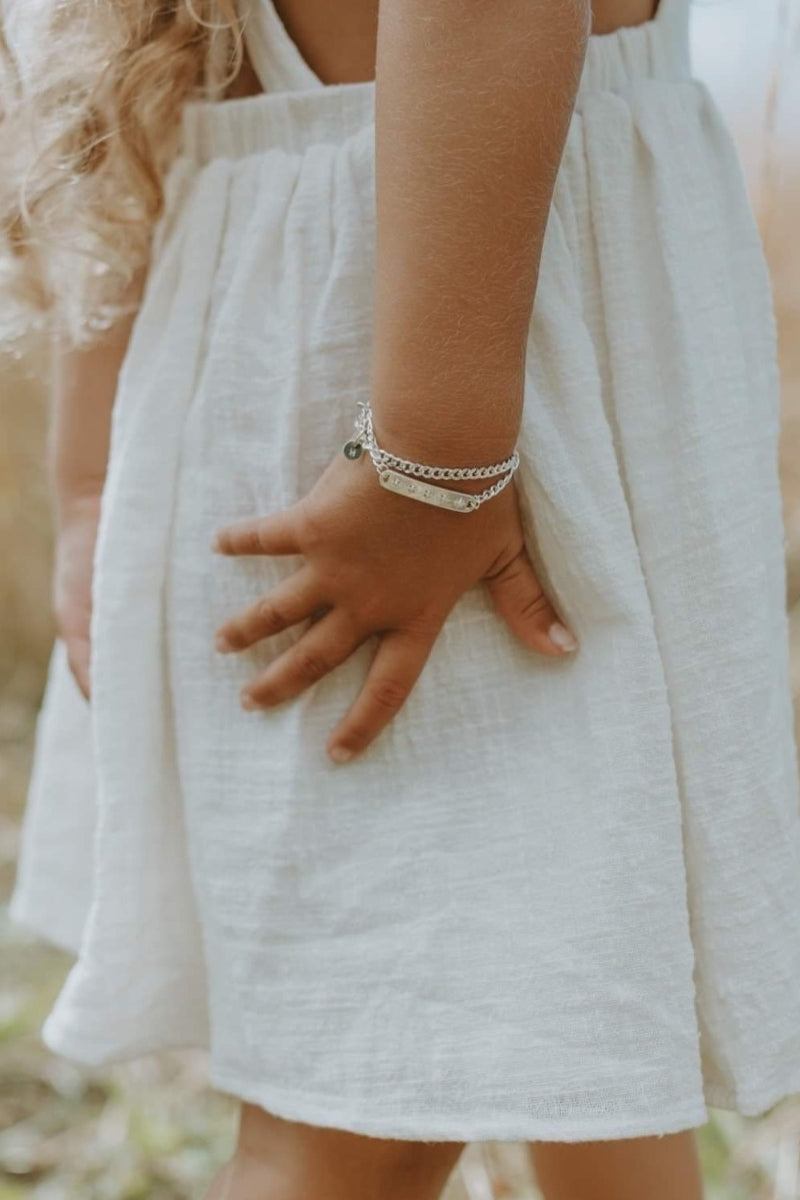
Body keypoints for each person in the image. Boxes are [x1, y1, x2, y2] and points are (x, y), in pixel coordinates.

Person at [4, 0, 800, 1196]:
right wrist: (434, 467)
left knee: (601, 989)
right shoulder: (437, 451)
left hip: (342, 361)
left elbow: (111, 87)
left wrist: (90, 482)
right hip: (434, 409)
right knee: (354, 1123)